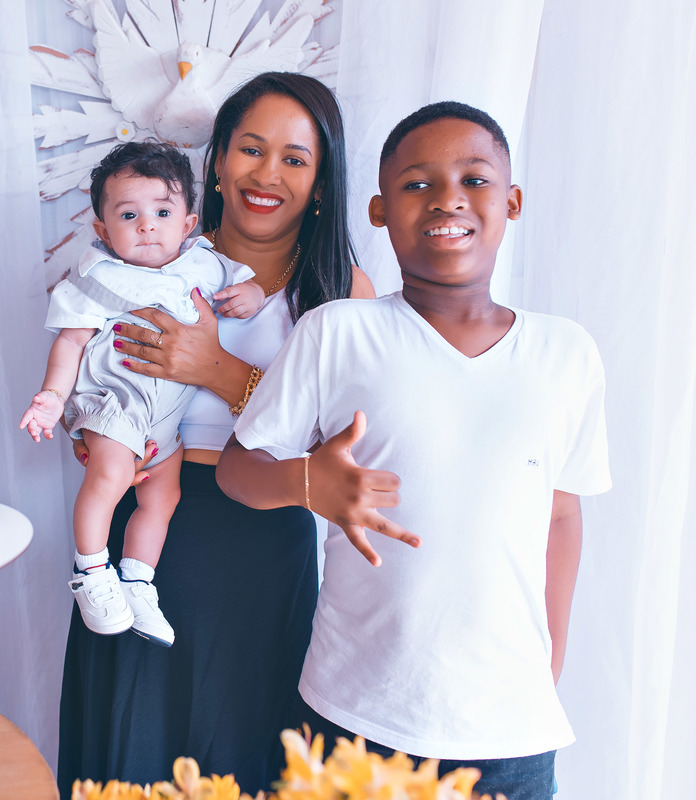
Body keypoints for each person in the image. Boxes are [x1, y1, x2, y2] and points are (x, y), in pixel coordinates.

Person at [218, 101, 611, 800]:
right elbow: (237, 469)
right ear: (379, 210)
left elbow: (560, 514)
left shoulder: (567, 353)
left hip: (511, 731)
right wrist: (308, 482)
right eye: (418, 183)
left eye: (474, 179)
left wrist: (548, 664)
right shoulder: (337, 332)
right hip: (355, 715)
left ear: (512, 201)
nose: (447, 198)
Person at [56, 72, 374, 795]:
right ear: (219, 162)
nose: (267, 175)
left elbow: (338, 447)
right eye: (251, 150)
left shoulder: (343, 289)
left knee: (244, 747)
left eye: (295, 159)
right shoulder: (149, 254)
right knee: (131, 750)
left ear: (321, 183)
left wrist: (217, 369)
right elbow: (85, 356)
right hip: (148, 527)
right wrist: (90, 422)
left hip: (265, 541)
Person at [21, 141, 264, 647]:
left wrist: (252, 294)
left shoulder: (204, 264)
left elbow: (243, 283)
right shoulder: (98, 277)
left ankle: (137, 581)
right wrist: (51, 396)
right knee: (111, 477)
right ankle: (91, 572)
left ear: (189, 223)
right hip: (114, 401)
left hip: (164, 421)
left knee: (162, 495)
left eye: (162, 213)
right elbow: (71, 342)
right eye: (129, 215)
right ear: (103, 230)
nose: (147, 226)